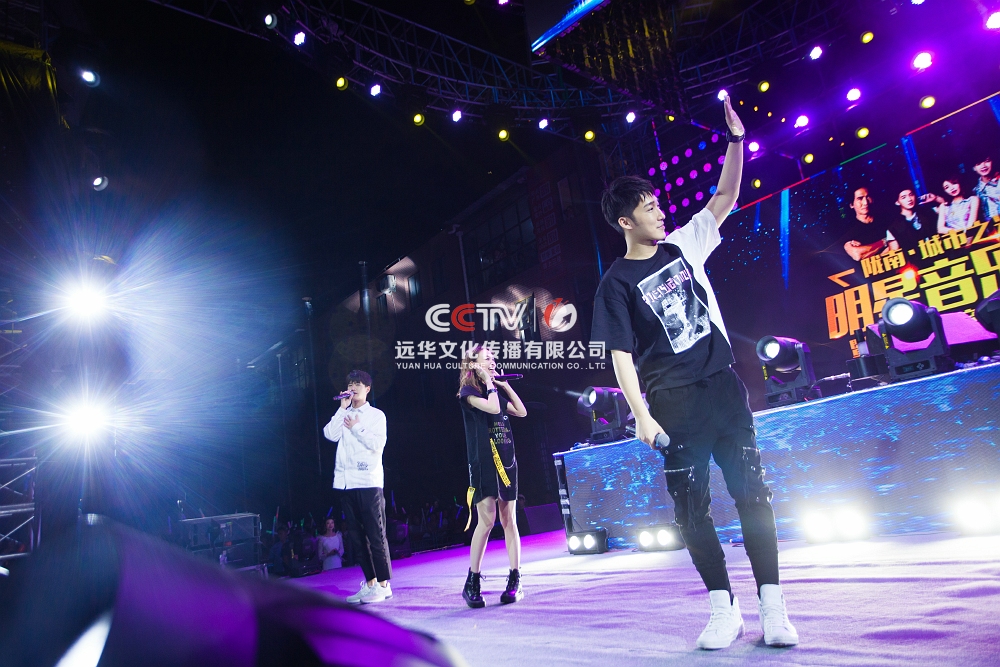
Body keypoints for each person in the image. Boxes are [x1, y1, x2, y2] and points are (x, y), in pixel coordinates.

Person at [590, 95, 798, 651]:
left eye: (659, 203)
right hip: (674, 405)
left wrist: (736, 141)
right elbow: (620, 356)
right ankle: (723, 609)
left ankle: (772, 606)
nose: (660, 212)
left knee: (753, 494)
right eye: (648, 207)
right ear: (625, 221)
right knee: (691, 510)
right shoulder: (614, 284)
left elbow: (725, 195)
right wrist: (640, 415)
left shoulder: (684, 245)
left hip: (724, 389)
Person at [457, 344, 528, 608]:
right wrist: (488, 383)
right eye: (487, 358)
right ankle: (472, 581)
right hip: (483, 463)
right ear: (474, 364)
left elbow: (521, 411)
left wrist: (504, 385)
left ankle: (515, 579)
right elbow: (492, 407)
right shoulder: (468, 393)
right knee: (486, 522)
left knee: (509, 520)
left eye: (493, 357)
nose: (493, 361)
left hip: (506, 461)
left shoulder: (494, 391)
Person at [323, 369, 392, 604]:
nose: (353, 388)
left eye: (358, 384)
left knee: (376, 535)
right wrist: (341, 410)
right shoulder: (344, 413)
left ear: (367, 389)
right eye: (350, 383)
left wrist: (356, 427)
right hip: (346, 483)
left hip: (368, 482)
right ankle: (370, 584)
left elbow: (378, 444)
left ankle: (384, 585)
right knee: (357, 538)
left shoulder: (376, 415)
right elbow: (329, 435)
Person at [842, 186, 889, 261]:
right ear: (851, 205)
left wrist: (866, 250)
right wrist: (885, 241)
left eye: (867, 197)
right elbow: (857, 255)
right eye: (860, 198)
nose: (865, 202)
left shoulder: (885, 220)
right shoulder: (848, 230)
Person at [973, 155, 1000, 220]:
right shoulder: (975, 191)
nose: (983, 166)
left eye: (987, 161)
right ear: (974, 168)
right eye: (978, 163)